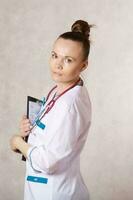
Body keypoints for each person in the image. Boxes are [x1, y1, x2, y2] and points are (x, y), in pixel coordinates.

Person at [10, 19, 93, 200]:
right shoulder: (60, 89)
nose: (58, 64)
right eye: (55, 55)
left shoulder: (70, 106)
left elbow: (48, 162)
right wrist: (31, 131)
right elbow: (53, 134)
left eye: (68, 60)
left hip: (56, 193)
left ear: (83, 65)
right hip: (45, 188)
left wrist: (18, 142)